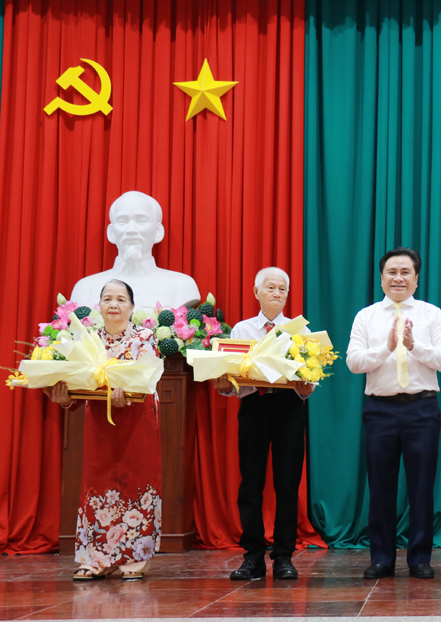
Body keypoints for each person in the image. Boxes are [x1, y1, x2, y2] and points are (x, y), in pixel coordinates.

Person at [346, 248, 441, 580]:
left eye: (406, 272)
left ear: (416, 279)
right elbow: (353, 362)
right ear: (381, 278)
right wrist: (388, 347)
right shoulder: (366, 316)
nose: (398, 278)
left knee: (422, 487)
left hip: (423, 409)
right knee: (380, 487)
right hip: (380, 410)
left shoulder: (431, 314)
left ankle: (420, 558)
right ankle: (382, 558)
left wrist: (413, 345)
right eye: (391, 272)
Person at [45, 279, 162, 582]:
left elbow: (147, 379)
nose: (114, 304)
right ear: (98, 306)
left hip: (138, 420)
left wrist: (128, 391)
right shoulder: (88, 341)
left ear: (132, 307)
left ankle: (135, 556)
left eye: (121, 299)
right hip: (100, 422)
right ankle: (97, 558)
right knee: (97, 483)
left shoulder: (145, 337)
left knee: (136, 481)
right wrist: (64, 397)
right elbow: (78, 386)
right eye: (107, 299)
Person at [215, 267, 315, 581]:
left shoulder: (299, 330)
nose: (276, 293)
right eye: (270, 287)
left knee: (287, 484)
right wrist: (223, 385)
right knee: (251, 482)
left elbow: (310, 379)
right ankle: (253, 557)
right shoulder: (242, 330)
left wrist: (307, 386)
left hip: (289, 408)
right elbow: (231, 379)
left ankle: (284, 557)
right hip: (254, 406)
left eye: (282, 289)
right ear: (256, 292)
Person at [70, 191, 200, 310]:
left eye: (141, 221)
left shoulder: (182, 286)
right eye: (122, 222)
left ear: (158, 232)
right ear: (111, 233)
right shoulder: (85, 288)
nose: (131, 230)